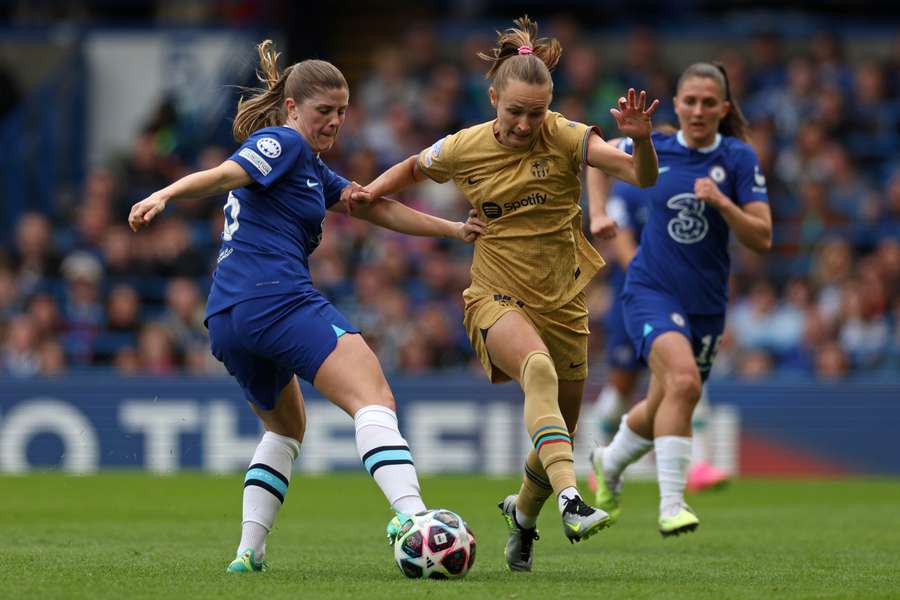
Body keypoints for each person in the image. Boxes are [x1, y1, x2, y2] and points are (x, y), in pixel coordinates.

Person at [127, 40, 485, 574]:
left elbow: (373, 207)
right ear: (293, 108)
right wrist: (166, 194)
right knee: (373, 397)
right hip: (274, 297)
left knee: (286, 429)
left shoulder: (312, 171)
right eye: (324, 111)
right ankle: (414, 518)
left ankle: (249, 552)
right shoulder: (284, 143)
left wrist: (453, 229)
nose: (335, 122)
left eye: (342, 111)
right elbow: (226, 173)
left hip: (227, 317)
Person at [352, 16, 659, 571]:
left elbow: (642, 177)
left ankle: (523, 514)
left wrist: (640, 141)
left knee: (555, 433)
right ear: (493, 96)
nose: (523, 123)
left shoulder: (565, 136)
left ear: (550, 106)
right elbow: (412, 167)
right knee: (536, 371)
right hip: (495, 296)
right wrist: (370, 191)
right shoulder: (464, 147)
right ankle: (573, 500)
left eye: (535, 112)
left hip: (563, 303)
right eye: (513, 110)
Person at [589, 62, 771, 537]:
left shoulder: (737, 158)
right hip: (650, 288)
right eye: (689, 101)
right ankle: (672, 504)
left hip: (705, 303)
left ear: (724, 108)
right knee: (686, 383)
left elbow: (763, 237)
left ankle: (608, 462)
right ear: (676, 105)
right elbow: (597, 152)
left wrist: (724, 204)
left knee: (663, 401)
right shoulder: (658, 146)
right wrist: (599, 213)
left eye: (709, 102)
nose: (698, 110)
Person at [585, 128, 730, 494]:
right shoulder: (630, 188)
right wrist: (655, 281)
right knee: (623, 381)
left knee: (688, 377)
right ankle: (597, 458)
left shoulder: (687, 188)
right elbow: (621, 240)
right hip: (638, 295)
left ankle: (698, 466)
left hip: (682, 297)